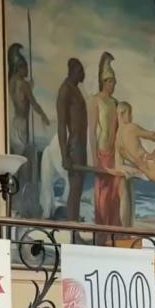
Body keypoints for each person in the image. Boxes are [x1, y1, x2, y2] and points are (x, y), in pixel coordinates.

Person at [8, 43, 49, 217]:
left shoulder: (12, 82)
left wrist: (28, 87)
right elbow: (33, 102)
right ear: (20, 67)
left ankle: (17, 200)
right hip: (22, 124)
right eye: (26, 68)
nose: (27, 72)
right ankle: (22, 201)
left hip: (15, 122)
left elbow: (20, 99)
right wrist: (44, 116)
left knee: (17, 164)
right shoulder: (23, 84)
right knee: (24, 163)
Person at [88, 52, 124, 230]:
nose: (113, 85)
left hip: (114, 151)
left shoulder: (115, 102)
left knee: (114, 193)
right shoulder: (95, 100)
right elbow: (92, 131)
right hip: (102, 150)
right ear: (104, 82)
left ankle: (114, 230)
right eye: (111, 82)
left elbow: (119, 128)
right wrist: (94, 157)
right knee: (102, 192)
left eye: (115, 82)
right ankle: (102, 230)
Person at [56, 58, 88, 222]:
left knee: (78, 190)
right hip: (74, 146)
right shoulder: (65, 90)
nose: (83, 74)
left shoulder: (75, 89)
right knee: (75, 190)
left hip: (81, 145)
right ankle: (73, 233)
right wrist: (64, 156)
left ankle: (75, 230)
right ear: (74, 71)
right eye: (81, 71)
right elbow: (61, 125)